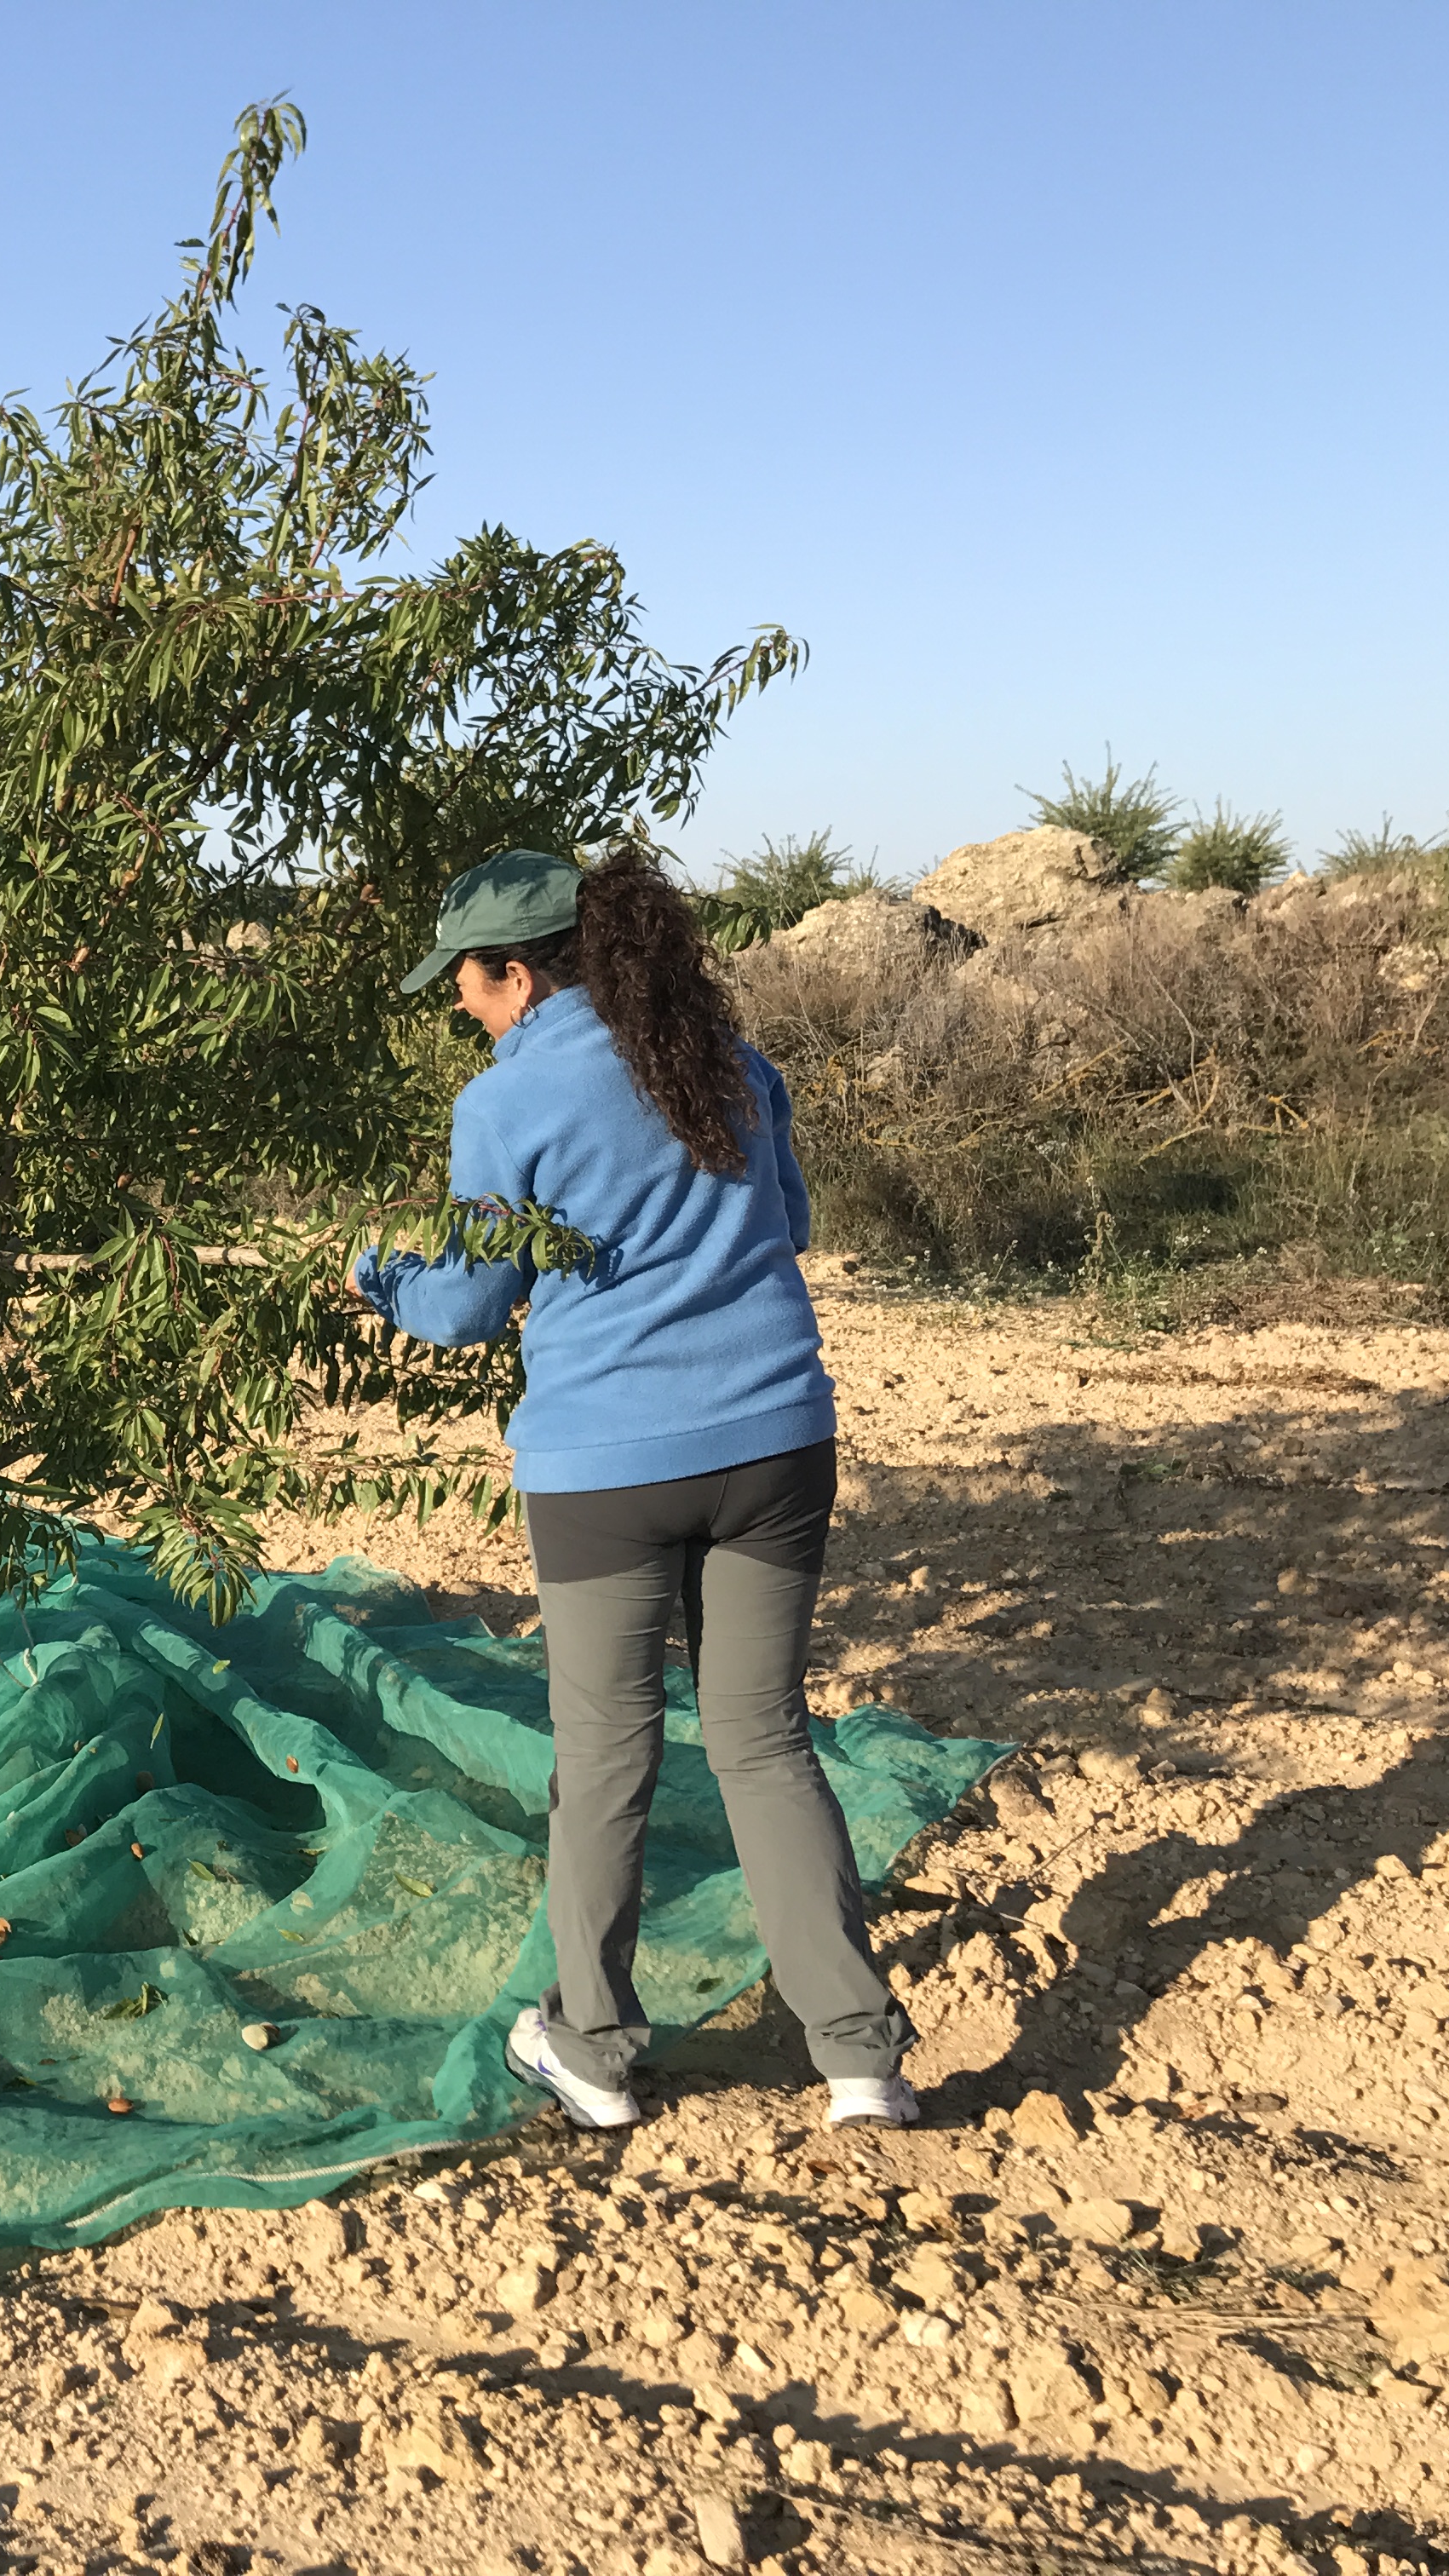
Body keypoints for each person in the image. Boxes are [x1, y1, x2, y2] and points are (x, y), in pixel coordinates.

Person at [354, 847, 917, 2131]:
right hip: (777, 1444)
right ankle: (859, 2058)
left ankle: (594, 2050)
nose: (461, 1006)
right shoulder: (721, 1054)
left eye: (470, 983)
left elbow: (466, 1303)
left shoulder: (506, 1099)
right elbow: (793, 1223)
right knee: (765, 1742)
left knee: (607, 1756)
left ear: (521, 974)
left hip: (606, 1467)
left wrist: (379, 1278)